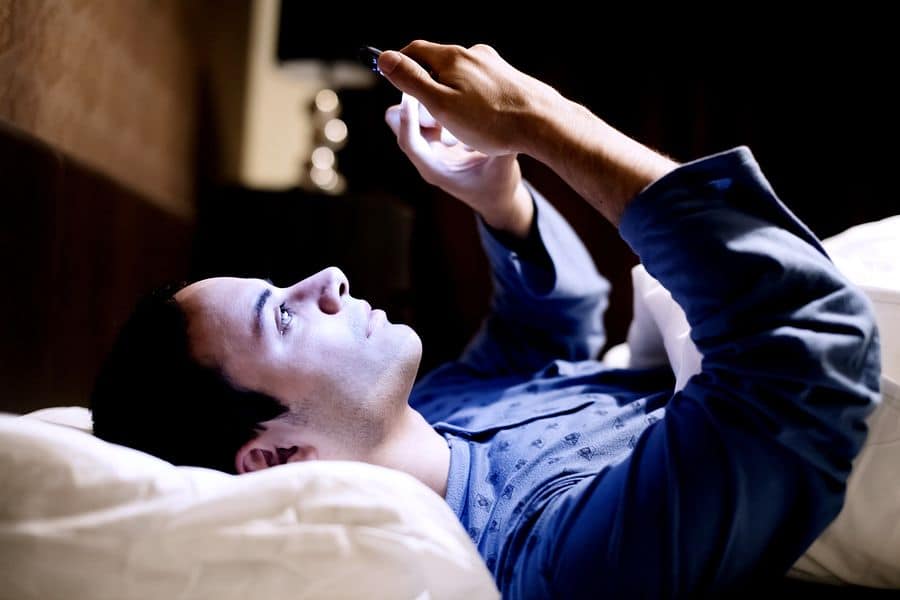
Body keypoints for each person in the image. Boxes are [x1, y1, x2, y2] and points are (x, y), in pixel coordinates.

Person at [91, 41, 881, 598]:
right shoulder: (548, 563)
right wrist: (543, 120)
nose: (327, 278)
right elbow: (810, 354)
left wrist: (495, 195)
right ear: (272, 457)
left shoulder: (440, 407)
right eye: (284, 319)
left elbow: (551, 332)